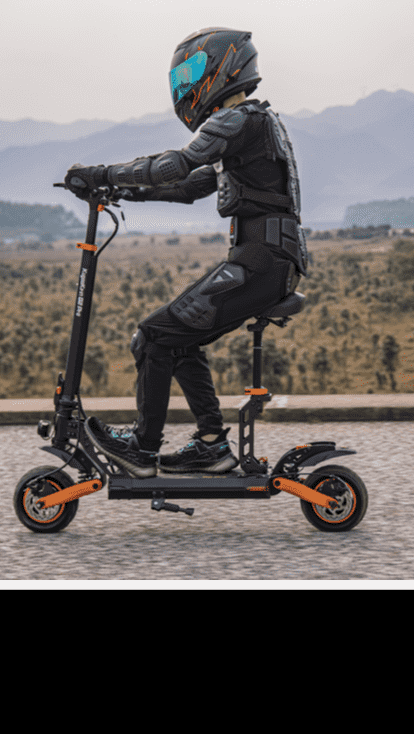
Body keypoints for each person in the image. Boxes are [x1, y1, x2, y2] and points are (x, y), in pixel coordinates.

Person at [64, 27, 308, 478]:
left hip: (260, 264)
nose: (186, 83)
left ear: (225, 65)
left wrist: (101, 173)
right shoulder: (252, 124)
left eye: (193, 70)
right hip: (265, 261)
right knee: (176, 335)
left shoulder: (236, 121)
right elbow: (192, 185)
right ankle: (211, 445)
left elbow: (176, 164)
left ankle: (142, 447)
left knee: (154, 336)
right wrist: (125, 192)